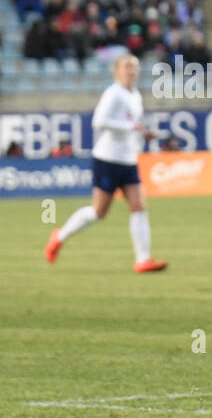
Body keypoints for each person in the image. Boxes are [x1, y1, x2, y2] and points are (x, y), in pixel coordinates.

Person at [43, 55, 167, 273]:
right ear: (117, 71)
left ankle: (143, 260)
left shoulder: (135, 95)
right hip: (108, 159)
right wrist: (130, 127)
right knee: (99, 212)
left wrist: (143, 135)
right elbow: (98, 121)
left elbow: (131, 126)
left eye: (135, 67)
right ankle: (59, 236)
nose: (131, 71)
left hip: (127, 159)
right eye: (127, 66)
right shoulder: (113, 94)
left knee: (139, 206)